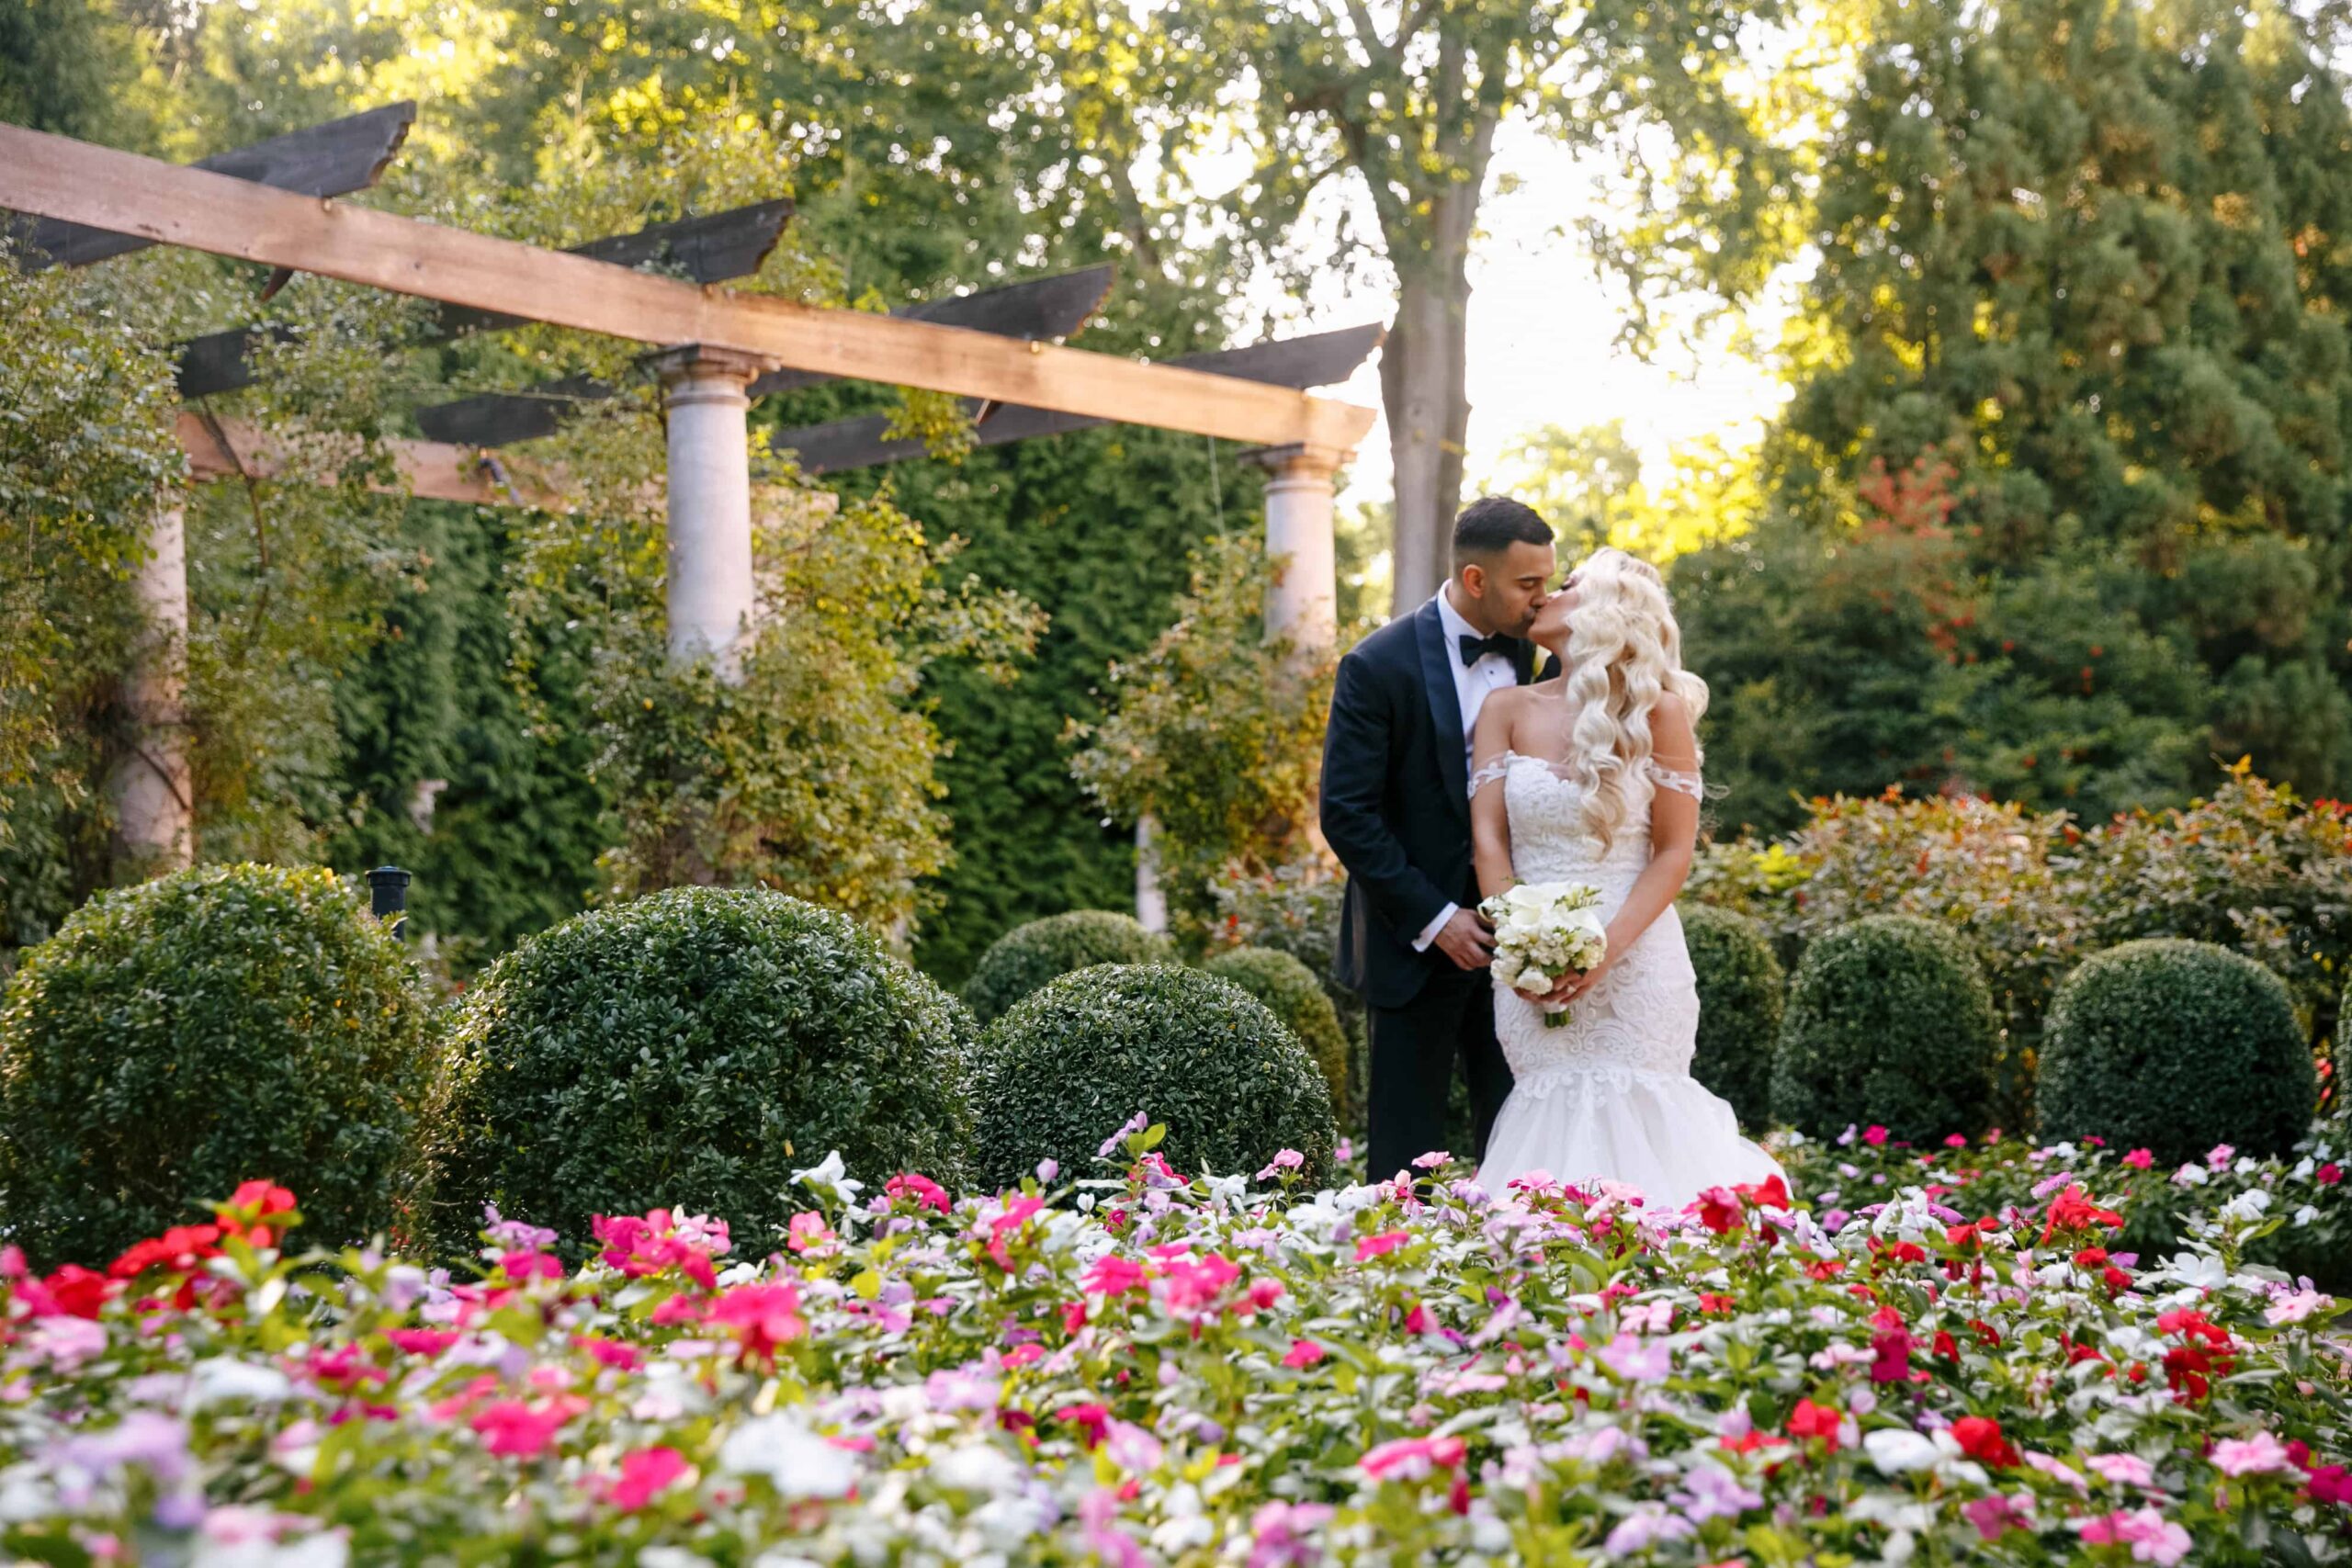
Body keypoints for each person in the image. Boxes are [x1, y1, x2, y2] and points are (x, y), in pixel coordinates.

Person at [1467, 547, 1784, 1207]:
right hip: (1528, 965)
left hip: (1637, 956)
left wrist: (1604, 950)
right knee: (1547, 1114)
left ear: (1609, 611)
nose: (1547, 593)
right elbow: (1489, 839)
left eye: (1570, 584)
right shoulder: (1505, 707)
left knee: (1642, 1115)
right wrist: (1521, 943)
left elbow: (1673, 852)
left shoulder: (1659, 712)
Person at [1320, 496, 1559, 1184]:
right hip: (1410, 946)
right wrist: (1435, 918)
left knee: (1523, 1140)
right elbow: (1347, 812)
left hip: (1522, 946)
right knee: (1405, 1156)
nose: (1542, 598)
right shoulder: (1375, 665)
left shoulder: (1544, 657)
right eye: (1529, 584)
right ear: (1477, 580)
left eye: (1548, 580)